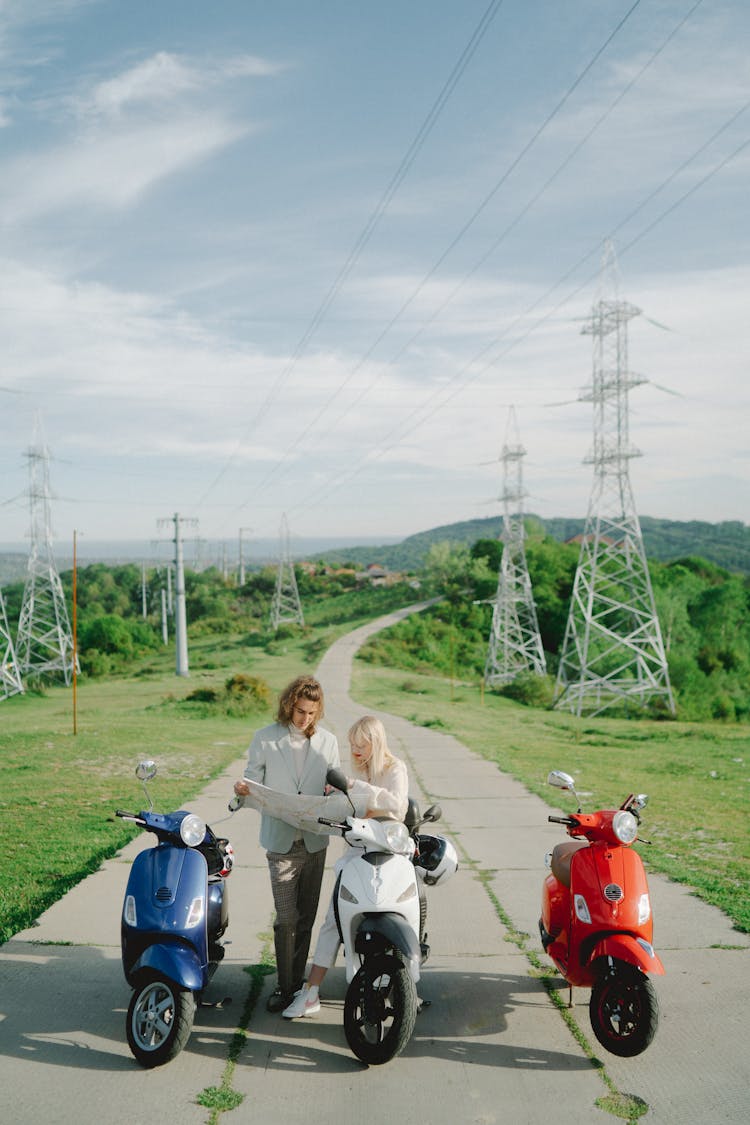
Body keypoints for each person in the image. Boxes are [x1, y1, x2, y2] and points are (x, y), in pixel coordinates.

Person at [282, 714, 408, 1019]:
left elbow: (398, 805)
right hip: (356, 852)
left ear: (375, 743)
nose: (354, 752)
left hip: (389, 852)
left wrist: (358, 787)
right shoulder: (361, 770)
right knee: (332, 919)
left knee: (404, 909)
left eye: (360, 746)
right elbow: (357, 807)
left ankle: (407, 984)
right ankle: (312, 991)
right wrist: (338, 794)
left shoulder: (395, 769)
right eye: (352, 746)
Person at [233, 674, 340, 1013]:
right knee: (286, 918)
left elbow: (334, 783)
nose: (304, 718)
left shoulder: (329, 742)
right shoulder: (264, 739)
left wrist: (334, 793)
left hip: (314, 841)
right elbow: (252, 778)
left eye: (311, 713)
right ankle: (284, 985)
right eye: (299, 711)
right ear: (288, 705)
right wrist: (242, 791)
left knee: (307, 918)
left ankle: (298, 986)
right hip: (280, 842)